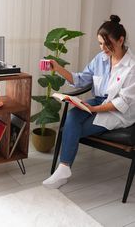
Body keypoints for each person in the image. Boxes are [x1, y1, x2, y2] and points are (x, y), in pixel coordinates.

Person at [43, 15, 135, 189]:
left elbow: (122, 103)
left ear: (120, 40)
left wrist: (94, 108)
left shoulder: (131, 67)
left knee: (74, 129)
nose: (103, 48)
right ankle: (64, 169)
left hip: (118, 110)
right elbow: (80, 80)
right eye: (100, 43)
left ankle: (63, 169)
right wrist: (58, 68)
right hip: (99, 101)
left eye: (107, 44)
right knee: (72, 115)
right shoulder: (100, 59)